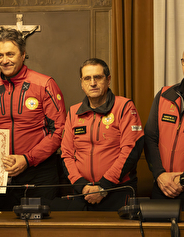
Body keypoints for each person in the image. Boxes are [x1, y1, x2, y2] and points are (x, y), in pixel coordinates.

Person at [0, 28, 66, 210]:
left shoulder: (45, 84)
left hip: (39, 173)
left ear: (23, 55)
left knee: (40, 231)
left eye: (10, 54)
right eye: (0, 55)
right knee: (0, 232)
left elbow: (59, 131)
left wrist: (27, 159)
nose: (5, 60)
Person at [61, 58, 144, 211]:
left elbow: (131, 151)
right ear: (82, 83)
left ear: (108, 80)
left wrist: (104, 186)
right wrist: (81, 186)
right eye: (87, 78)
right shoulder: (74, 112)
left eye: (98, 77)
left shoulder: (124, 107)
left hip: (117, 191)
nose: (92, 83)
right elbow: (66, 154)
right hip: (82, 193)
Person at [145, 51, 184, 202]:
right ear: (182, 63)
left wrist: (181, 180)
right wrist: (160, 174)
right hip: (163, 187)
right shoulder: (164, 95)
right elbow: (150, 138)